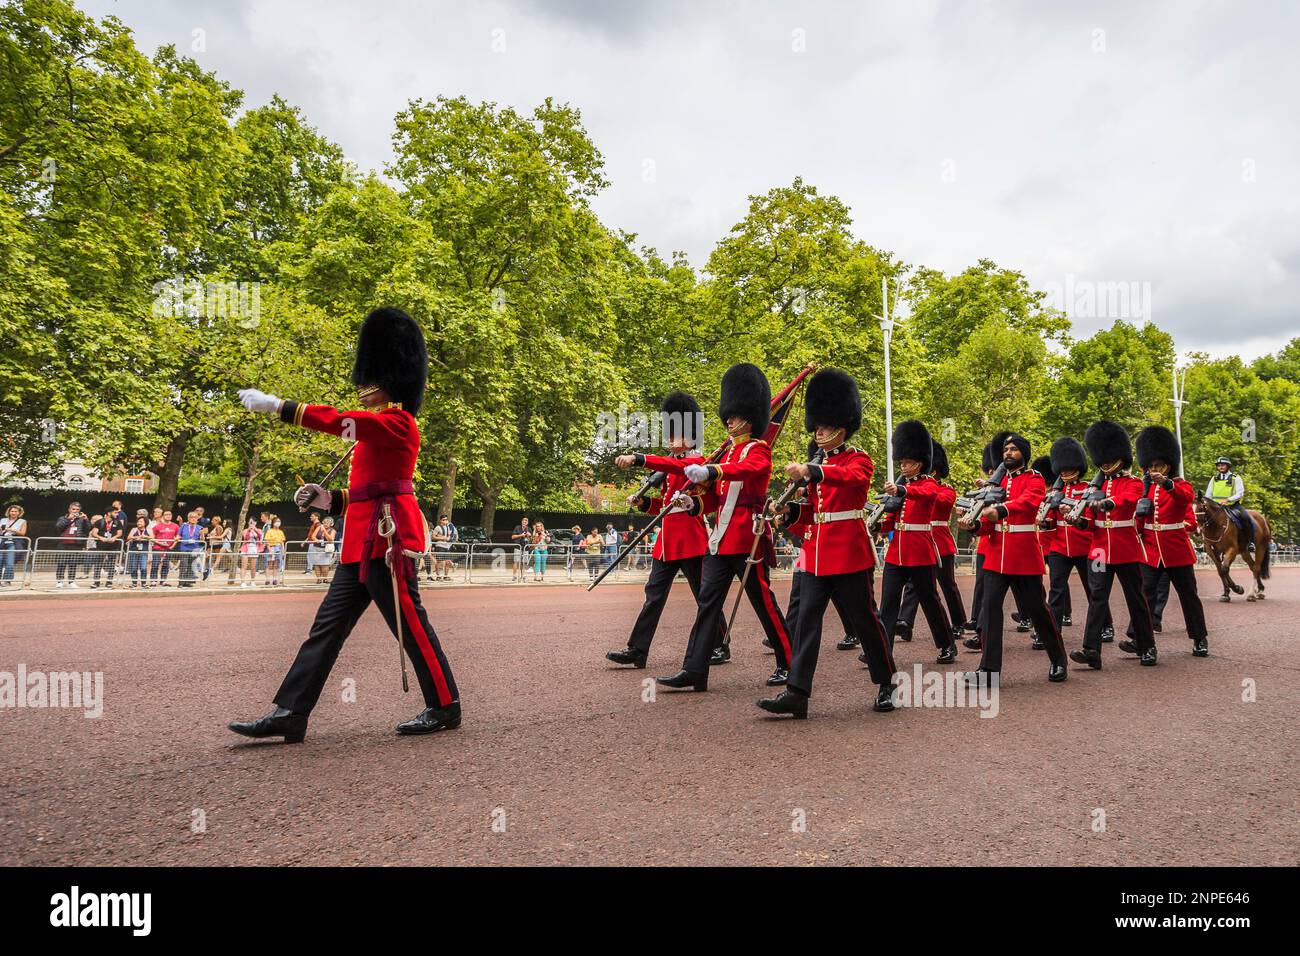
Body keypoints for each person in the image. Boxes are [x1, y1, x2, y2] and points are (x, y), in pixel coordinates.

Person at [229, 306, 460, 741]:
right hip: (359, 542)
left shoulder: (398, 423)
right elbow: (370, 490)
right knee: (325, 629)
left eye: (369, 379)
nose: (361, 387)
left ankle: (445, 704)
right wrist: (329, 499)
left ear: (391, 381)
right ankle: (290, 712)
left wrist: (282, 407)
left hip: (388, 542)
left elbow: (341, 423)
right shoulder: (377, 429)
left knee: (411, 626)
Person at [759, 368, 897, 718]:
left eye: (824, 426)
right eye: (816, 426)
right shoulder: (818, 464)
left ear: (841, 426)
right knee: (806, 622)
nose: (818, 431)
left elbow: (852, 481)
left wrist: (814, 471)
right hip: (817, 553)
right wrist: (790, 513)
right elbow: (814, 514)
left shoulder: (857, 459)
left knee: (865, 620)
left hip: (849, 553)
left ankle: (887, 682)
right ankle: (797, 692)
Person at [655, 363, 793, 691]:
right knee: (707, 604)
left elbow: (745, 471)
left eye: (734, 414)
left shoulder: (758, 449)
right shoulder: (728, 451)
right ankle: (695, 669)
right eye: (727, 414)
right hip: (720, 540)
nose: (728, 419)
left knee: (764, 604)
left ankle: (790, 663)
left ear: (749, 414)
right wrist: (695, 504)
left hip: (748, 539)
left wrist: (712, 471)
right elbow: (717, 501)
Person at [608, 390, 724, 668]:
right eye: (670, 435)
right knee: (653, 596)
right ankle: (637, 649)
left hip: (691, 541)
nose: (670, 441)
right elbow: (665, 506)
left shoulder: (697, 464)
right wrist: (645, 501)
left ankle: (720, 644)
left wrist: (640, 457)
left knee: (704, 597)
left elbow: (679, 472)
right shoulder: (674, 467)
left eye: (676, 435)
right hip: (667, 543)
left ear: (690, 437)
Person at [961, 431, 1069, 687]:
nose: (1008, 453)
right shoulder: (995, 485)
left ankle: (1058, 659)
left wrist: (999, 509)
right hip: (997, 555)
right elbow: (988, 527)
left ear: (1024, 454)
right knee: (989, 613)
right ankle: (988, 671)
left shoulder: (1034, 478)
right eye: (1006, 450)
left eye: (1013, 449)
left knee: (1038, 611)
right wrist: (974, 525)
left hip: (1022, 555)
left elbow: (1030, 502)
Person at [1068, 420, 1157, 669]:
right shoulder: (1097, 486)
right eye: (1102, 459)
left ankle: (1147, 645)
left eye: (1109, 458)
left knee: (1135, 599)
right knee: (1097, 598)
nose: (1105, 463)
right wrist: (1076, 519)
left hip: (1126, 548)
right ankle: (1091, 650)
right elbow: (1089, 523)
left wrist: (1106, 503)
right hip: (1098, 550)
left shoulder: (1134, 482)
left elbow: (1127, 501)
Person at [873, 420, 957, 662]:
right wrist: (879, 525)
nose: (902, 466)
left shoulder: (928, 484)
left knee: (930, 600)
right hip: (897, 552)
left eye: (906, 463)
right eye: (901, 462)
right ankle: (883, 650)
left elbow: (926, 495)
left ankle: (946, 644)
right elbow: (893, 518)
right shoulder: (903, 487)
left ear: (918, 464)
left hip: (920, 551)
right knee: (888, 602)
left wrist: (902, 491)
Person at [1132, 425, 1209, 658]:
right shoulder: (1143, 488)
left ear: (1168, 465)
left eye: (1159, 465)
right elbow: (1138, 518)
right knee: (1144, 595)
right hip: (1150, 550)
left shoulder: (1179, 483)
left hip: (1176, 549)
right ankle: (1142, 641)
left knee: (1188, 595)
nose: (1154, 470)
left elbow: (1186, 498)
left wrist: (1166, 483)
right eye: (1151, 466)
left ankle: (1199, 638)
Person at [1038, 437, 1113, 641]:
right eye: (1061, 468)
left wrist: (1074, 514)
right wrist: (1044, 523)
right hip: (1060, 547)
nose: (1063, 472)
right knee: (1056, 591)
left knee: (1094, 590)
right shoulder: (1057, 492)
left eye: (1067, 467)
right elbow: (1051, 521)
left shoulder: (1090, 489)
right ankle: (1053, 631)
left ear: (1077, 468)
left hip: (1087, 547)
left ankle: (1106, 625)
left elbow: (1091, 519)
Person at [894, 441, 966, 645]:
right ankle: (905, 622)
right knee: (914, 585)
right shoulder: (913, 487)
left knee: (947, 584)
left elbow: (940, 501)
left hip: (940, 541)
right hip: (919, 541)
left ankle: (959, 622)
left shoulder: (945, 490)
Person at [1205, 456, 1253, 550]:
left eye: (1222, 465)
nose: (1220, 467)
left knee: (1245, 517)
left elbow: (1240, 493)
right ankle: (1206, 542)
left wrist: (1228, 499)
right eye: (1219, 465)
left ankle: (1250, 542)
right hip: (1217, 508)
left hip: (1233, 506)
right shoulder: (1214, 479)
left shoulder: (1236, 478)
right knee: (1204, 519)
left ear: (1228, 466)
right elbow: (1208, 494)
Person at [54, 502, 91, 588]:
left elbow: (88, 529)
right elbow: (58, 527)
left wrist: (86, 520)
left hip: (76, 543)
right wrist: (68, 519)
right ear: (69, 509)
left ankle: (71, 581)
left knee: (73, 563)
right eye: (73, 509)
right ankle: (60, 581)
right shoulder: (63, 518)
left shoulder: (82, 519)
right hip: (63, 543)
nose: (75, 511)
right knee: (61, 563)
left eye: (77, 510)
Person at [90, 509, 125, 588]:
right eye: (115, 512)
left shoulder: (117, 522)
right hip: (101, 546)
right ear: (109, 513)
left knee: (111, 565)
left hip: (113, 546)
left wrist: (114, 537)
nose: (117, 514)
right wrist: (101, 537)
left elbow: (120, 533)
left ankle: (109, 581)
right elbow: (94, 533)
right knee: (98, 564)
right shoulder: (100, 522)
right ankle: (96, 582)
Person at [149, 510, 180, 588]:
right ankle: (153, 581)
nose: (168, 516)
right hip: (157, 548)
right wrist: (160, 543)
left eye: (170, 514)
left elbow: (178, 537)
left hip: (169, 548)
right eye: (166, 514)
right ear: (163, 516)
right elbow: (152, 538)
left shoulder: (175, 526)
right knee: (155, 564)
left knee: (166, 565)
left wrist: (172, 546)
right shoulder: (157, 526)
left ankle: (163, 581)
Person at [0, 504, 29, 586]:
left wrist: (12, 529)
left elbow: (23, 533)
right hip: (2, 541)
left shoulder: (22, 521)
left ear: (19, 513)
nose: (13, 513)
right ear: (8, 512)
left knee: (10, 562)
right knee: (0, 561)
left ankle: (7, 580)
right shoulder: (3, 520)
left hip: (13, 542)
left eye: (15, 511)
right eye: (12, 511)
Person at [177, 511, 205, 587]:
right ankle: (181, 582)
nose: (193, 519)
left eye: (195, 517)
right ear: (188, 518)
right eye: (191, 517)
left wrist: (202, 534)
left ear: (197, 519)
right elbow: (179, 535)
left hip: (194, 549)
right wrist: (176, 538)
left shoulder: (200, 527)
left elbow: (202, 539)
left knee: (191, 565)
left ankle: (188, 582)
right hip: (184, 548)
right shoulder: (183, 526)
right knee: (184, 565)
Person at [126, 517, 151, 587]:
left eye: (141, 522)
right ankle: (134, 583)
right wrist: (136, 537)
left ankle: (144, 583)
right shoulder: (134, 529)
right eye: (138, 521)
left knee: (143, 567)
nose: (139, 523)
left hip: (144, 551)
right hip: (134, 550)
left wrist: (144, 536)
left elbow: (152, 537)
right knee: (134, 567)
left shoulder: (148, 530)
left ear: (145, 523)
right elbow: (129, 537)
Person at [431, 514, 458, 581]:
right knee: (440, 561)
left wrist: (448, 538)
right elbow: (433, 537)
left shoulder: (448, 527)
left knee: (447, 562)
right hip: (439, 546)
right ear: (440, 520)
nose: (445, 521)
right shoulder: (437, 527)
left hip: (446, 546)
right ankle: (438, 576)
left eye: (446, 519)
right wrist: (442, 538)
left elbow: (449, 536)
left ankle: (446, 576)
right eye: (443, 520)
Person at [239, 518, 263, 587]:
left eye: (253, 522)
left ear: (256, 522)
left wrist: (254, 529)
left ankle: (252, 581)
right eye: (250, 522)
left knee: (253, 567)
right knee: (244, 566)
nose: (252, 523)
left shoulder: (258, 530)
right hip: (245, 549)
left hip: (254, 549)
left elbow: (260, 536)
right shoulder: (245, 530)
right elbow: (245, 538)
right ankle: (243, 582)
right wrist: (249, 530)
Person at [264, 516, 286, 586]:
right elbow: (267, 541)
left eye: (279, 521)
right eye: (276, 521)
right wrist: (270, 550)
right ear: (273, 523)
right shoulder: (269, 531)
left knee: (276, 565)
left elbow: (282, 542)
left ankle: (274, 579)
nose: (278, 523)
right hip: (271, 548)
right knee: (269, 565)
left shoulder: (281, 532)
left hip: (278, 548)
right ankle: (267, 579)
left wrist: (283, 550)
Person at [511, 516, 531, 582]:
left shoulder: (529, 529)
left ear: (527, 523)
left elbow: (531, 540)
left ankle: (523, 576)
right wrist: (521, 535)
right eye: (523, 521)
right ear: (521, 522)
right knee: (516, 561)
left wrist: (529, 536)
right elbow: (513, 537)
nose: (524, 522)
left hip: (526, 547)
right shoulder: (517, 528)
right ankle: (514, 576)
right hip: (518, 547)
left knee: (524, 562)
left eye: (526, 521)